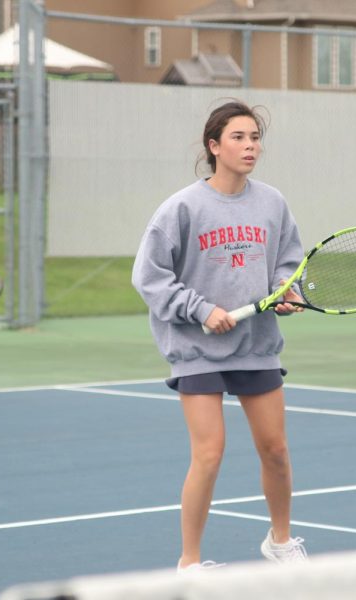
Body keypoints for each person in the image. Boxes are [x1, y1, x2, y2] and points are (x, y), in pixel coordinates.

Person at [131, 100, 308, 571]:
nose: (250, 146)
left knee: (276, 450)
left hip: (256, 347)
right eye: (238, 138)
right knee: (208, 455)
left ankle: (281, 541)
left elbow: (288, 264)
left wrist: (285, 293)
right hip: (198, 352)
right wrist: (202, 310)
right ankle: (189, 563)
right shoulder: (181, 208)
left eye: (254, 138)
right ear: (214, 146)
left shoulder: (273, 202)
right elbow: (149, 278)